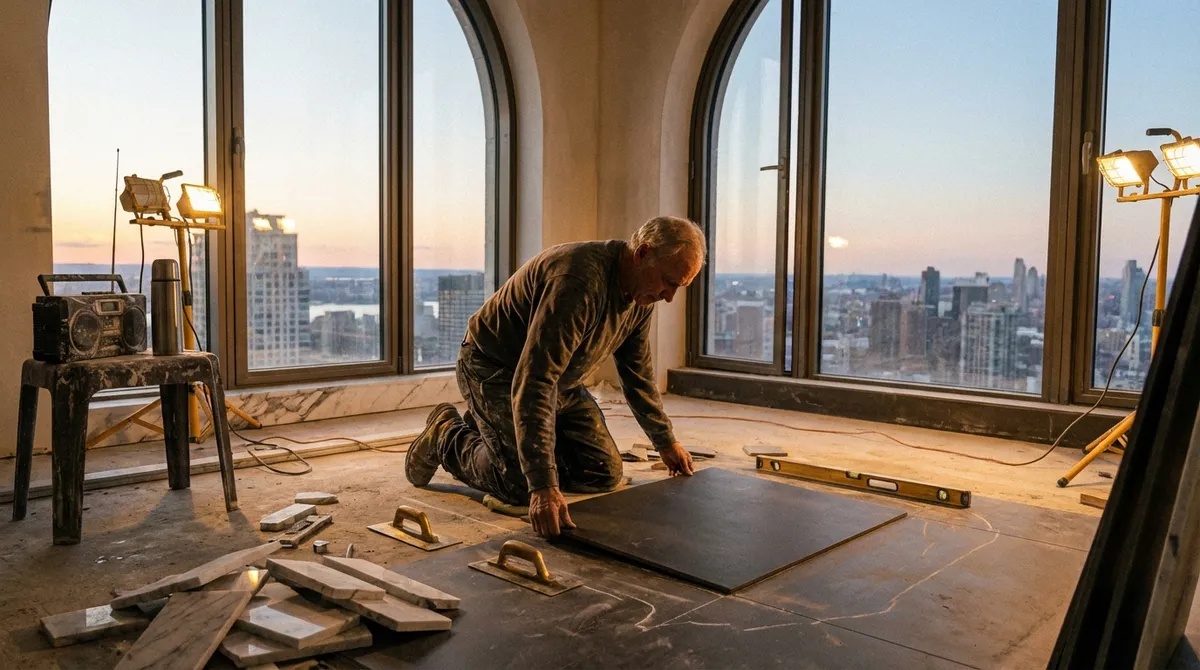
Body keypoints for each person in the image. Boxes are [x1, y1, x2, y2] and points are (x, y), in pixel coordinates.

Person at [405, 215, 707, 538]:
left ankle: (493, 428)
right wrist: (543, 485)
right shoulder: (578, 284)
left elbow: (637, 374)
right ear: (643, 253)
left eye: (678, 287)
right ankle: (447, 434)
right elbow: (534, 380)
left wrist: (665, 441)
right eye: (668, 282)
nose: (669, 297)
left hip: (561, 382)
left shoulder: (641, 295)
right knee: (520, 484)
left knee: (603, 472)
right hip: (495, 370)